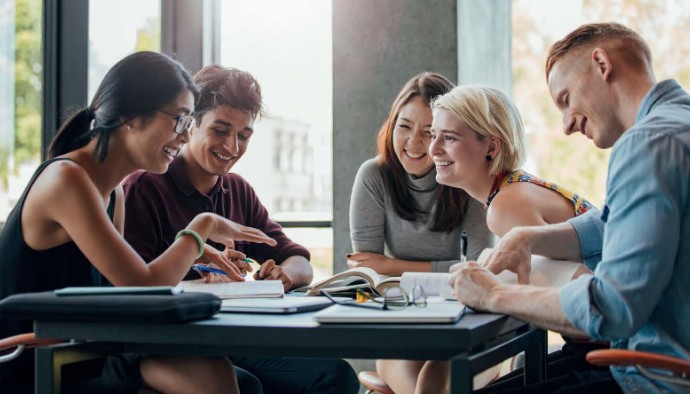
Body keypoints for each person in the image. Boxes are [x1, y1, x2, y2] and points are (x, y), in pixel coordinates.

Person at [0, 51, 278, 394]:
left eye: (188, 123)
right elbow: (145, 288)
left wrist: (196, 253)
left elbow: (125, 296)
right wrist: (201, 228)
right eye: (179, 120)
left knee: (231, 378)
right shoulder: (67, 180)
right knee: (213, 377)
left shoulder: (113, 192)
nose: (184, 136)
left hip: (81, 349)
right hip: (34, 359)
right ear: (130, 116)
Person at [451, 22, 690, 394]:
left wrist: (493, 294)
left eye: (565, 99)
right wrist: (528, 237)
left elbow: (612, 307)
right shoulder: (677, 128)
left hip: (657, 376)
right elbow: (617, 225)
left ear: (601, 63)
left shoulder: (647, 143)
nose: (566, 126)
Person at [123, 64, 359, 394]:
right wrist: (198, 281)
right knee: (245, 386)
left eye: (244, 136)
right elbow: (133, 289)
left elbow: (298, 260)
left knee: (337, 376)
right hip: (171, 346)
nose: (232, 148)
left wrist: (285, 275)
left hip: (232, 339)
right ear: (190, 124)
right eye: (220, 131)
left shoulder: (237, 190)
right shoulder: (145, 187)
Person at [348, 72, 494, 394]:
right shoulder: (374, 176)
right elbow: (368, 275)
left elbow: (480, 272)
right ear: (392, 124)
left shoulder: (469, 179)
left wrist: (392, 265)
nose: (414, 143)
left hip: (462, 324)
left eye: (429, 133)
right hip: (400, 325)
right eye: (404, 126)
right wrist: (387, 269)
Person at [430, 85, 595, 238]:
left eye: (450, 138)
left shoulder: (506, 206)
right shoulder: (510, 189)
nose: (433, 149)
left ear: (491, 148)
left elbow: (573, 269)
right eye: (433, 136)